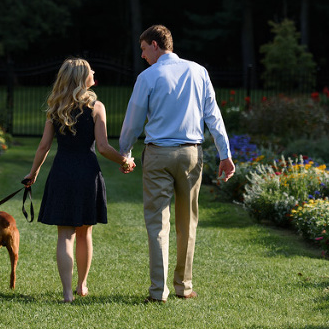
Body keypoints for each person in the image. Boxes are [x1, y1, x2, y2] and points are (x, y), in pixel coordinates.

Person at [119, 24, 235, 303]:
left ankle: (158, 292)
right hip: (191, 155)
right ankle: (183, 286)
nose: (143, 56)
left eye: (144, 49)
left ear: (156, 45)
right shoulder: (199, 72)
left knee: (157, 224)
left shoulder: (148, 76)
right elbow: (213, 116)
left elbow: (133, 120)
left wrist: (125, 152)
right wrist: (225, 154)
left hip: (158, 154)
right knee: (188, 222)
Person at [24, 58, 136, 303]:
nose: (94, 72)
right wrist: (125, 161)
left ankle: (67, 293)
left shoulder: (55, 108)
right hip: (87, 172)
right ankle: (82, 286)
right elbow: (104, 148)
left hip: (62, 171)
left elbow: (43, 146)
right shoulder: (96, 107)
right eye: (90, 70)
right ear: (80, 78)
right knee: (85, 233)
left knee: (65, 234)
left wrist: (33, 173)